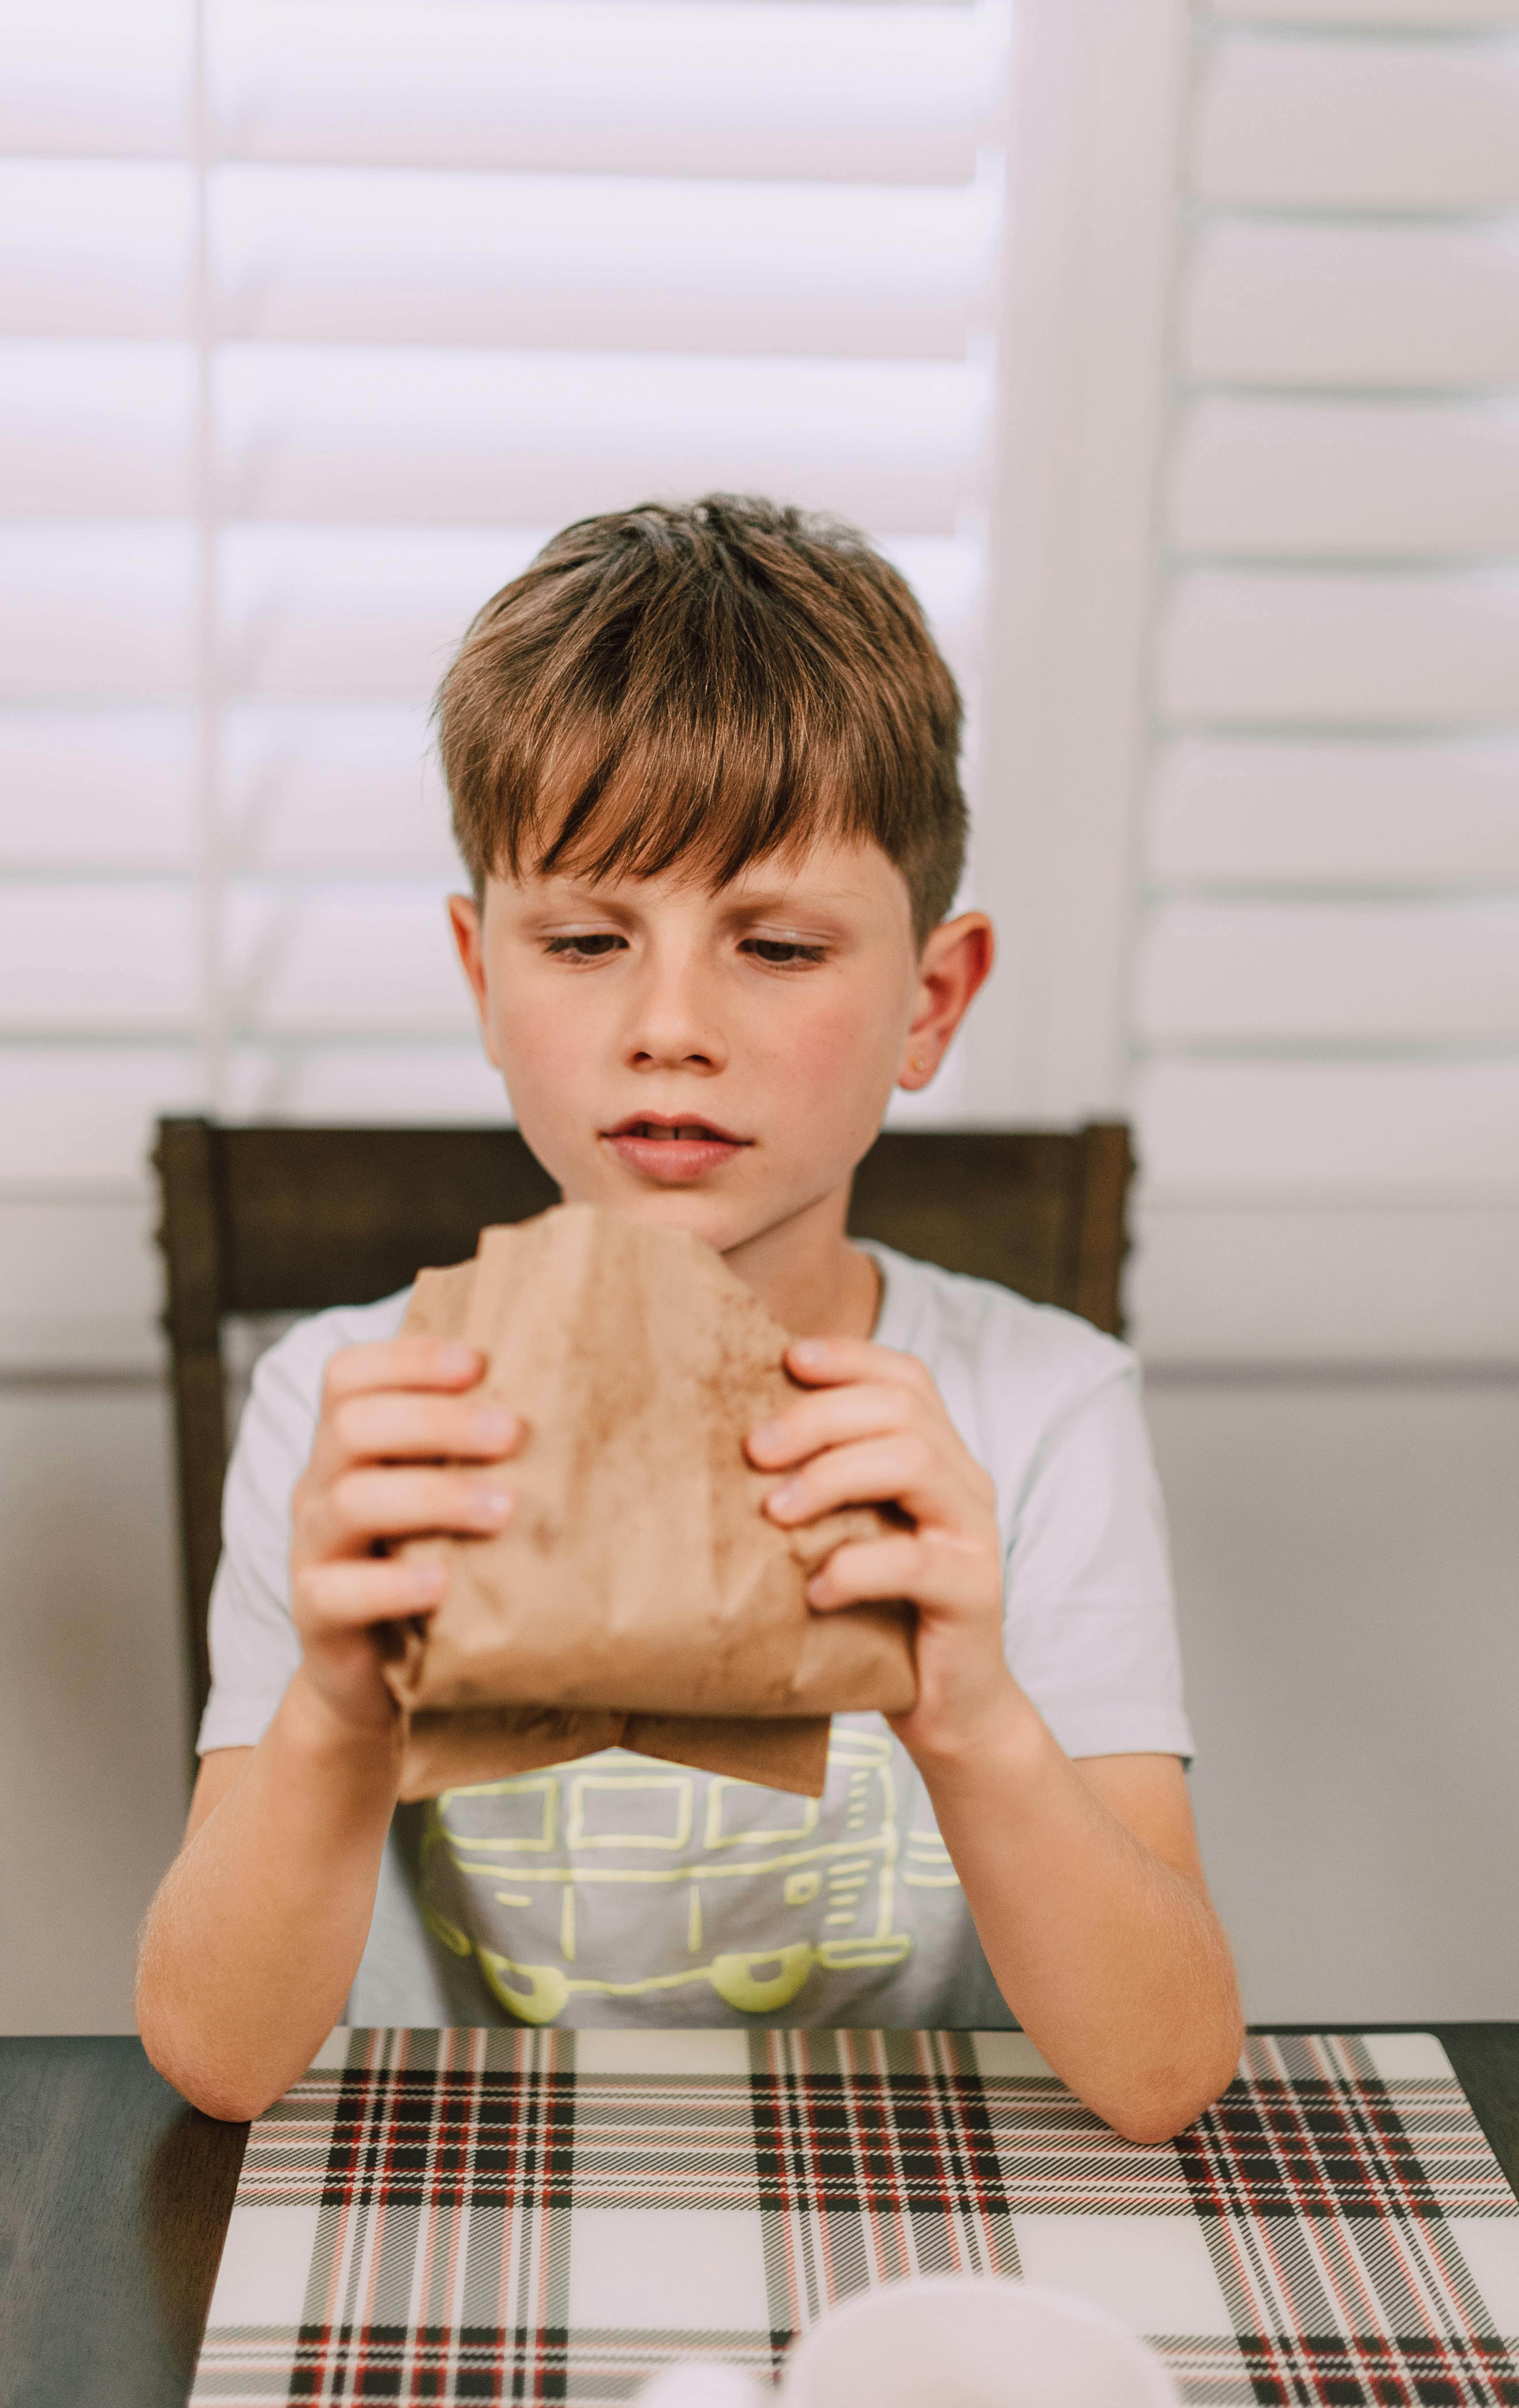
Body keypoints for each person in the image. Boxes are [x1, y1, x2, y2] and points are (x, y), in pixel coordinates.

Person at [136, 495, 1242, 2137]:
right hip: (475, 2199)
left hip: (895, 2210)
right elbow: (220, 2063)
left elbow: (1160, 2075)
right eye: (585, 940)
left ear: (930, 1003)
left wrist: (980, 1715)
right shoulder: (346, 1406)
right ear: (482, 980)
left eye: (779, 946)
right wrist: (336, 1706)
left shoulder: (1043, 1409)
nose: (670, 1027)